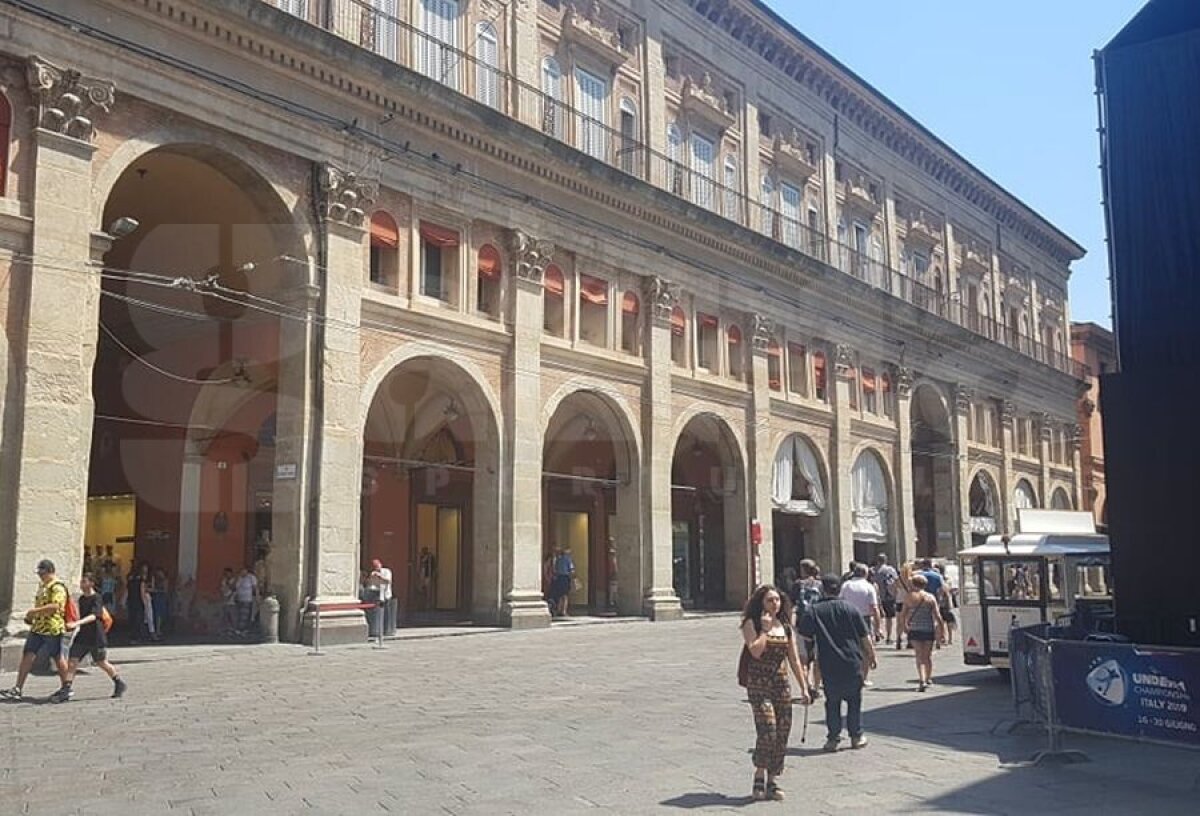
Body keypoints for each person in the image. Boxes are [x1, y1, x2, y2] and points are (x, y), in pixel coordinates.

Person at [740, 585, 810, 801]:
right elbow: (755, 650)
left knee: (782, 731)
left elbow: (794, 659)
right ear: (761, 602)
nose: (775, 604)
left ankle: (772, 779)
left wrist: (804, 687)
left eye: (778, 600)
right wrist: (764, 629)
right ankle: (759, 774)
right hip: (759, 684)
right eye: (770, 600)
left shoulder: (787, 627)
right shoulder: (750, 624)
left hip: (781, 685)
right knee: (767, 729)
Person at [797, 574, 877, 753]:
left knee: (832, 702)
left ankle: (833, 739)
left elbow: (804, 637)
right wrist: (872, 656)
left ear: (822, 589)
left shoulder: (814, 610)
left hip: (828, 662)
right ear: (839, 589)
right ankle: (856, 736)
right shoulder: (851, 609)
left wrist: (805, 661)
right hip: (852, 661)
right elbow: (865, 637)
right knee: (854, 700)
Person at [1, 559, 74, 703]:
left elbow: (55, 606)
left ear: (48, 572)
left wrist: (34, 611)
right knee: (28, 654)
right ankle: (17, 688)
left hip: (52, 628)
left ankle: (67, 687)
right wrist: (33, 617)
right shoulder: (44, 585)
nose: (39, 576)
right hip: (38, 628)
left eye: (42, 573)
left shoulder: (57, 587)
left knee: (58, 657)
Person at [65, 573, 127, 699]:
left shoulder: (97, 598)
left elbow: (94, 616)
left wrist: (76, 623)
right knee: (72, 661)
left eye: (84, 582)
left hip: (96, 636)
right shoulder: (82, 599)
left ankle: (118, 682)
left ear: (91, 583)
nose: (81, 584)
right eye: (81, 582)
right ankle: (66, 688)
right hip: (83, 635)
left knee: (101, 662)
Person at [898, 573, 946, 691]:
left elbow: (903, 614)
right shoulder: (930, 597)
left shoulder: (909, 597)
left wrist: (904, 626)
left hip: (914, 629)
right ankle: (928, 678)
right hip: (928, 629)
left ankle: (922, 679)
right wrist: (942, 631)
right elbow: (937, 616)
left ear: (914, 584)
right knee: (927, 656)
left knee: (919, 656)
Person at [838, 564, 881, 686]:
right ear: (866, 574)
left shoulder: (846, 585)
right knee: (866, 649)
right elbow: (874, 607)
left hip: (847, 618)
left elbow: (840, 601)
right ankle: (864, 677)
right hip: (864, 619)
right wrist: (878, 626)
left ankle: (849, 675)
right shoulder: (869, 587)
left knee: (848, 647)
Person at [788, 559, 824, 697]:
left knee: (803, 658)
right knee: (817, 658)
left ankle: (806, 685)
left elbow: (790, 605)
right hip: (819, 623)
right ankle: (816, 686)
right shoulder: (820, 585)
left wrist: (790, 622)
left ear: (803, 570)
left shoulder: (798, 584)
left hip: (802, 623)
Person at [872, 554, 900, 644]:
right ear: (886, 560)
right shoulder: (890, 570)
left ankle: (877, 632)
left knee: (876, 615)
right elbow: (896, 581)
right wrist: (896, 594)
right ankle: (888, 637)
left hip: (875, 595)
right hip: (888, 596)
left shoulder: (872, 570)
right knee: (889, 617)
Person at [366, 558, 393, 634]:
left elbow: (388, 581)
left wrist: (380, 576)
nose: (376, 568)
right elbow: (372, 585)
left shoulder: (386, 571)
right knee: (378, 613)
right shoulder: (373, 573)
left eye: (377, 566)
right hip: (377, 595)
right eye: (375, 567)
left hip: (386, 594)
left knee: (386, 613)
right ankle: (378, 630)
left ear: (380, 564)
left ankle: (387, 630)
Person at [934, 562, 957, 645]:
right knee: (947, 622)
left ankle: (940, 639)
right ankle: (946, 639)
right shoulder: (946, 580)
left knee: (941, 622)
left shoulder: (940, 580)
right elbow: (951, 590)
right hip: (946, 604)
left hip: (941, 604)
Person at [551, 546, 576, 617]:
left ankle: (559, 609)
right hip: (565, 578)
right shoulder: (568, 559)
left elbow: (555, 569)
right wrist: (573, 578)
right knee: (565, 595)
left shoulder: (558, 560)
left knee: (559, 595)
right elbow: (571, 569)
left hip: (559, 578)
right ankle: (564, 611)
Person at [233, 566, 258, 637]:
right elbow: (236, 587)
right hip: (239, 599)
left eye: (243, 571)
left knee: (245, 615)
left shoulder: (251, 578)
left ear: (247, 571)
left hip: (248, 599)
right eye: (241, 571)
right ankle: (238, 630)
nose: (242, 572)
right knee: (239, 615)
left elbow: (255, 588)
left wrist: (257, 597)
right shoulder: (239, 578)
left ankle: (244, 630)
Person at [220, 567, 238, 635]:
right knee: (225, 616)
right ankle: (227, 629)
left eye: (228, 573)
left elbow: (234, 588)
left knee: (233, 616)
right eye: (225, 573)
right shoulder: (223, 580)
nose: (227, 574)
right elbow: (222, 589)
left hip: (232, 600)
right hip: (225, 600)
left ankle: (234, 629)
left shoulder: (234, 580)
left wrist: (229, 596)